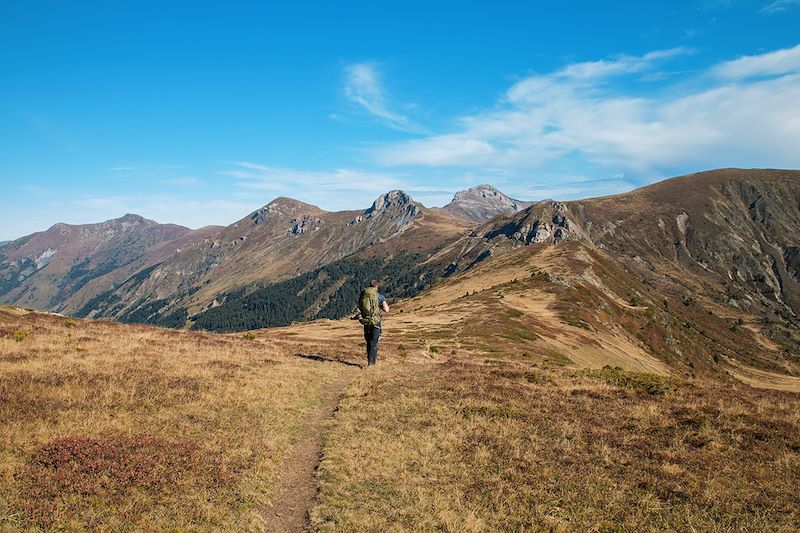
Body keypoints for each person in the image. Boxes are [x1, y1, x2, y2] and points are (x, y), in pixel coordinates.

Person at [357, 279, 390, 366]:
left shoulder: (364, 295)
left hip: (366, 322)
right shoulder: (379, 296)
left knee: (368, 342)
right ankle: (371, 364)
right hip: (375, 322)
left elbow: (359, 307)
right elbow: (387, 310)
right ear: (377, 286)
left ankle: (369, 361)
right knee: (374, 342)